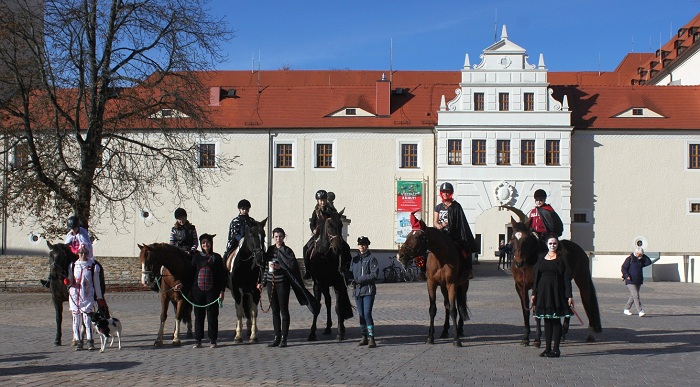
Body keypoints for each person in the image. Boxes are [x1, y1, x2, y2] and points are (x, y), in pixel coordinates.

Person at [259, 227, 319, 347]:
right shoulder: (270, 250)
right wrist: (263, 282)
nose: (278, 239)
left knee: (283, 311)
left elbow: (291, 266)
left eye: (280, 236)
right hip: (271, 284)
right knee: (274, 311)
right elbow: (266, 268)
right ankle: (276, 336)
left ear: (283, 237)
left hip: (282, 284)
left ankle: (284, 338)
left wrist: (280, 267)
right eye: (276, 236)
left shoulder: (287, 251)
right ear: (273, 237)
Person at [531, 235, 574, 358]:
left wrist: (569, 295)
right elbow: (536, 278)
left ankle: (556, 349)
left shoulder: (562, 258)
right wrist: (534, 293)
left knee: (556, 321)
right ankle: (547, 348)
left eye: (554, 243)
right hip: (543, 293)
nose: (552, 245)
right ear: (546, 244)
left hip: (556, 292)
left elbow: (567, 278)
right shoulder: (541, 257)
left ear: (557, 244)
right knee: (547, 321)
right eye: (550, 243)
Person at [190, 233, 227, 348]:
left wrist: (222, 291)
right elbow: (191, 274)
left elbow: (222, 276)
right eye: (203, 243)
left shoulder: (217, 257)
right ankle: (198, 339)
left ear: (211, 243)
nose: (206, 245)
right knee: (198, 316)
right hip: (198, 291)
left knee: (212, 316)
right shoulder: (196, 257)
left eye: (208, 242)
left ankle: (213, 339)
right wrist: (182, 285)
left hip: (212, 291)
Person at [433, 182, 476, 280]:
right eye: (443, 192)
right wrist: (439, 225)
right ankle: (424, 271)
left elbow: (460, 222)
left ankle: (468, 270)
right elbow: (435, 221)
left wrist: (450, 224)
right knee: (428, 248)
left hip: (453, 235)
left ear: (451, 193)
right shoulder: (438, 207)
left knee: (465, 249)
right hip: (441, 234)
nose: (445, 194)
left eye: (447, 192)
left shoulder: (456, 206)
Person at [67, 243, 105, 351]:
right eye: (81, 252)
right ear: (78, 253)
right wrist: (68, 282)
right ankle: (79, 340)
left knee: (87, 319)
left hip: (87, 295)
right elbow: (70, 279)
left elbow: (96, 283)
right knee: (76, 320)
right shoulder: (73, 265)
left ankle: (90, 340)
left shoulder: (93, 266)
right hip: (75, 296)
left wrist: (99, 297)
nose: (83, 254)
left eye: (85, 253)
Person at [41, 215, 93, 288]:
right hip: (71, 252)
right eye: (72, 228)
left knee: (71, 265)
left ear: (77, 226)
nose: (73, 230)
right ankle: (50, 279)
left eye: (74, 228)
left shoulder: (82, 234)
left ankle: (72, 281)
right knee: (57, 261)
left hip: (80, 254)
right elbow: (67, 243)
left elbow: (85, 244)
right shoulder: (70, 234)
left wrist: (78, 250)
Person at [350, 236, 379, 348]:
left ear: (367, 246)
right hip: (357, 291)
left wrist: (358, 280)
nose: (361, 246)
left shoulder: (372, 259)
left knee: (367, 314)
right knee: (361, 315)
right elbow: (351, 273)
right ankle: (364, 337)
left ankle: (371, 337)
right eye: (360, 244)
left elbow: (374, 274)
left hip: (368, 291)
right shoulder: (355, 260)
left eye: (364, 244)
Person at [303, 190, 338, 279]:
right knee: (306, 248)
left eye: (324, 200)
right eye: (320, 200)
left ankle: (344, 267)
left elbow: (335, 220)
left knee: (343, 246)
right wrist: (313, 229)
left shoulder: (331, 210)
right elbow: (312, 223)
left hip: (330, 234)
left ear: (326, 200)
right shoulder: (316, 211)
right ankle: (308, 270)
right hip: (318, 235)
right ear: (318, 201)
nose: (322, 202)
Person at [621, 247, 652, 317]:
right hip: (630, 280)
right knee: (636, 295)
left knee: (633, 296)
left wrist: (643, 256)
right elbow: (624, 268)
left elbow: (649, 262)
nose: (638, 255)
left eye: (640, 254)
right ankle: (640, 311)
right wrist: (626, 275)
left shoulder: (641, 260)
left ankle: (626, 309)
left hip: (638, 280)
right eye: (638, 253)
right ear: (635, 252)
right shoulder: (629, 259)